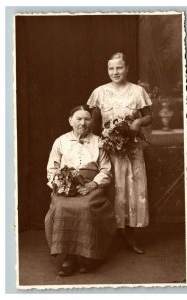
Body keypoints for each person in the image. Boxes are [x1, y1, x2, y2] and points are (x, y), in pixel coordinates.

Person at [87, 52, 152, 254]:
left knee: (132, 191)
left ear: (127, 68)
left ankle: (130, 235)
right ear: (108, 70)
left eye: (119, 67)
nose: (115, 72)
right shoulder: (99, 92)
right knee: (111, 189)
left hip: (131, 149)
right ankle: (108, 236)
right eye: (111, 68)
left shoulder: (137, 91)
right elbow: (94, 122)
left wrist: (138, 122)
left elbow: (149, 117)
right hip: (108, 150)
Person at [45, 105, 116, 276]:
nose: (83, 123)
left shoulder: (99, 142)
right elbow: (52, 170)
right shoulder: (60, 141)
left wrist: (92, 185)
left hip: (91, 185)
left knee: (86, 207)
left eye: (87, 119)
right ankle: (69, 257)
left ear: (91, 122)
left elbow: (106, 170)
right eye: (78, 119)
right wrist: (62, 184)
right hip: (66, 188)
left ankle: (89, 256)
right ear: (70, 121)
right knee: (61, 207)